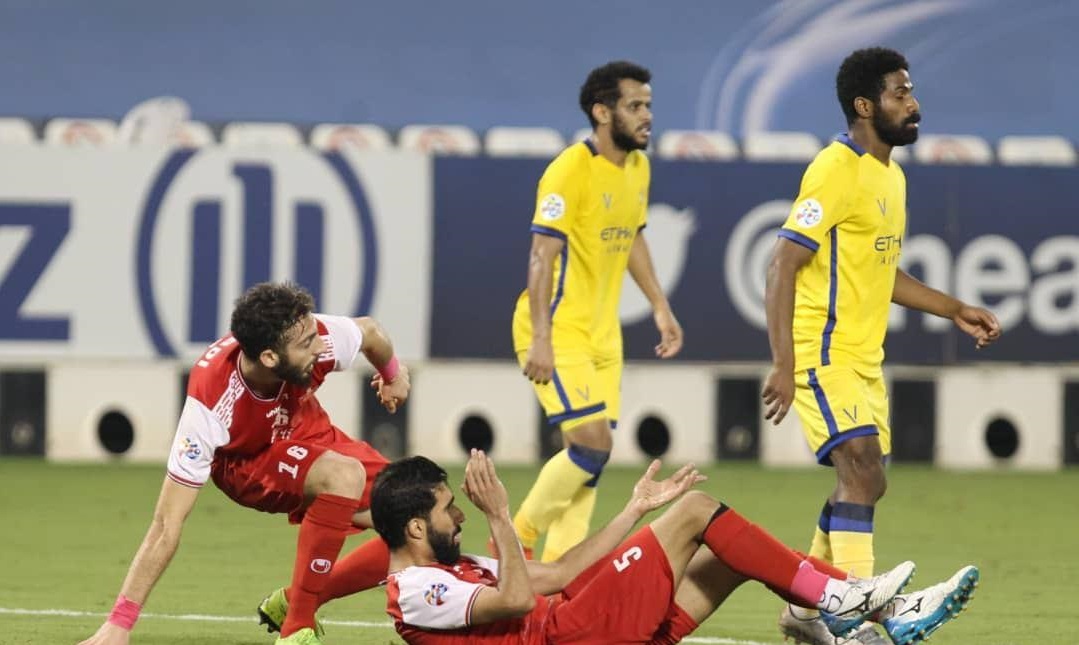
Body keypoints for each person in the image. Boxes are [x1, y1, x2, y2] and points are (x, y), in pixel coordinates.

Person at [761, 47, 1001, 644]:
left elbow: (882, 272)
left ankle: (805, 609)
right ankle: (863, 620)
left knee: (866, 480)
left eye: (910, 91)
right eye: (900, 93)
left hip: (863, 359)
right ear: (865, 106)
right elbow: (782, 263)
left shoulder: (891, 176)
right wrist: (784, 364)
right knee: (863, 469)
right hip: (822, 352)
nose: (913, 104)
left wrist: (954, 308)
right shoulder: (834, 169)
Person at [78, 282, 411, 645]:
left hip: (307, 429)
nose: (320, 346)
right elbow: (165, 524)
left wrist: (392, 375)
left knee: (421, 521)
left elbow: (370, 332)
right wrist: (120, 623)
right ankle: (296, 629)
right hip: (249, 462)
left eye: (316, 334)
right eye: (307, 344)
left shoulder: (310, 336)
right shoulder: (210, 404)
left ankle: (294, 601)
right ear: (269, 358)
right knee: (343, 475)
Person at [373, 450, 979, 645]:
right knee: (696, 511)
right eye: (448, 509)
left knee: (724, 555)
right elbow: (513, 600)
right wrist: (501, 514)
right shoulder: (417, 589)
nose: (460, 515)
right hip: (569, 637)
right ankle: (837, 602)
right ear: (416, 529)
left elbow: (556, 572)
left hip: (577, 626)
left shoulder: (447, 565)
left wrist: (634, 510)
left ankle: (879, 610)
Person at [511, 59, 684, 563]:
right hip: (559, 329)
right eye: (635, 106)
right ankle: (516, 537)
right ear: (602, 112)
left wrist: (660, 307)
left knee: (588, 462)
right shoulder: (570, 170)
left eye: (648, 105)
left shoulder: (638, 168)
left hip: (604, 337)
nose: (647, 115)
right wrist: (541, 337)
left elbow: (633, 238)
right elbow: (541, 256)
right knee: (592, 446)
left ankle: (558, 574)